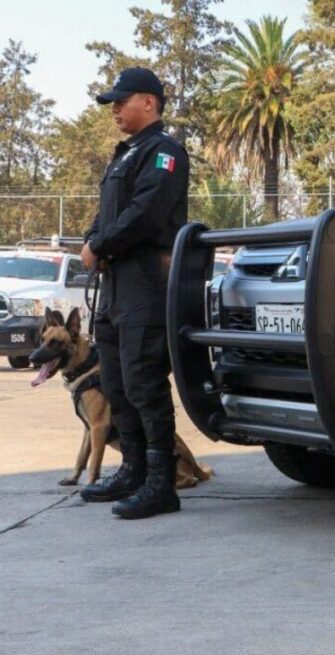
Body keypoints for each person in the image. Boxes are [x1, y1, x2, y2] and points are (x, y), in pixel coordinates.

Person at [78, 67, 190, 520]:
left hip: (146, 281)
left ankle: (162, 484)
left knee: (144, 380)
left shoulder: (164, 153)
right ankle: (134, 468)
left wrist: (100, 245)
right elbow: (104, 214)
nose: (115, 111)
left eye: (121, 102)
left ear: (149, 102)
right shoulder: (125, 154)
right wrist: (92, 240)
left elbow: (146, 214)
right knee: (117, 382)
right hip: (114, 285)